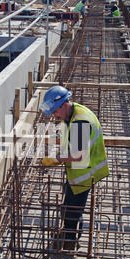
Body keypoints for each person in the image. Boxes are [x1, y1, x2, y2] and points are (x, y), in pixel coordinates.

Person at [40, 85, 109, 249]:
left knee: (73, 210)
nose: (55, 116)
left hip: (85, 172)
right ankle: (68, 234)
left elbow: (78, 155)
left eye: (55, 112)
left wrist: (56, 158)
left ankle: (70, 242)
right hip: (78, 169)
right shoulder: (72, 112)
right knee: (69, 205)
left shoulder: (80, 121)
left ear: (64, 105)